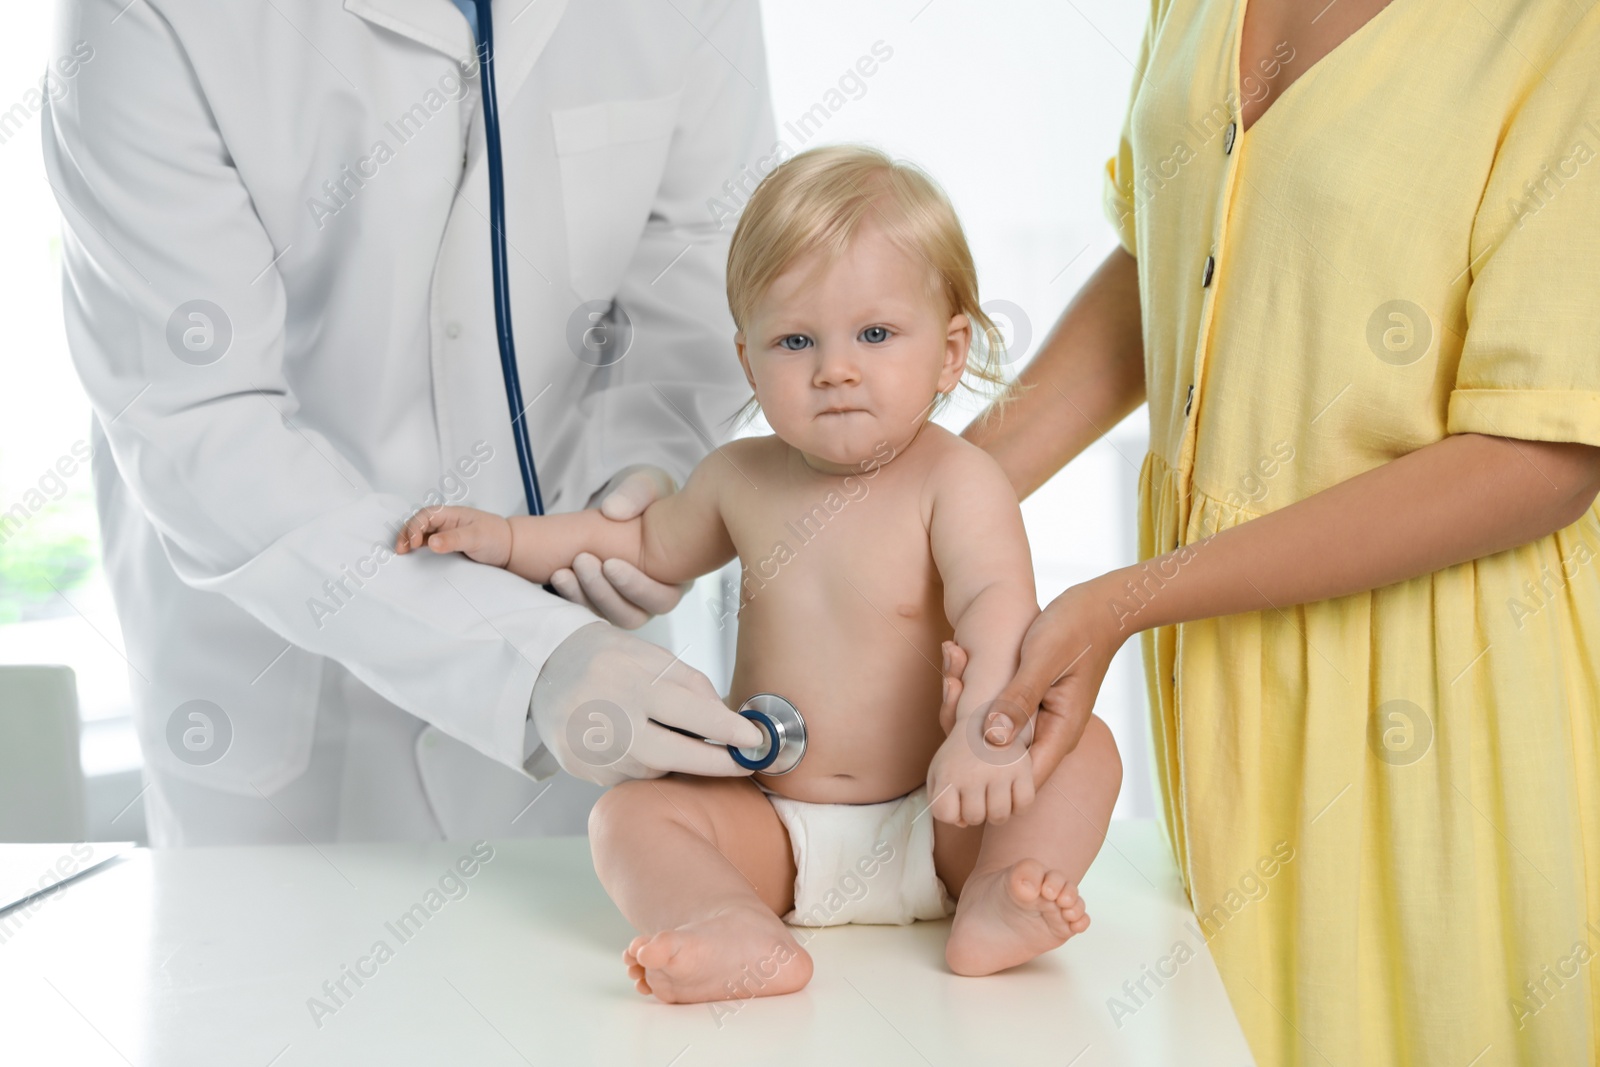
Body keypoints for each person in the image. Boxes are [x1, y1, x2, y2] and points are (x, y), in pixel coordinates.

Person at [949, 1, 1600, 1063]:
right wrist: (929, 510)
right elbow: (1175, 256)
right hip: (1220, 682)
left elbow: (1537, 457)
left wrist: (1128, 596)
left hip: (1453, 691)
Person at [392, 145, 1123, 1003]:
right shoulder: (739, 477)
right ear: (748, 360)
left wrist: (984, 737)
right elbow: (637, 545)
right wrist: (506, 538)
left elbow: (999, 605)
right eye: (796, 340)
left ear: (952, 351)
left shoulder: (958, 480)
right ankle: (730, 923)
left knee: (1084, 755)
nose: (835, 367)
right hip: (776, 824)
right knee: (628, 816)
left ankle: (1002, 891)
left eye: (876, 334)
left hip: (944, 815)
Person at [41, 0, 777, 845]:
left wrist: (637, 487)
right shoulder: (145, 16)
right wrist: (529, 657)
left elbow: (701, 278)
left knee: (605, 958)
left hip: (601, 682)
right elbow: (200, 429)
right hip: (292, 703)